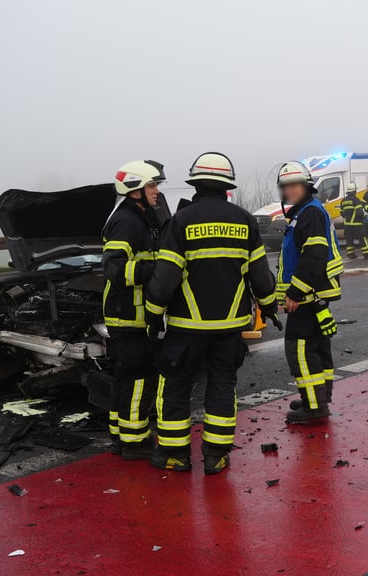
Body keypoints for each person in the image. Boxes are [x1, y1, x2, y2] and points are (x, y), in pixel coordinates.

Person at [144, 152, 279, 474]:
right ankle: (215, 456)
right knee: (222, 387)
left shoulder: (180, 222)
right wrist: (270, 306)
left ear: (195, 184)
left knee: (175, 387)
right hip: (229, 329)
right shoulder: (244, 221)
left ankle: (176, 456)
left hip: (185, 328)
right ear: (226, 186)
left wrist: (152, 314)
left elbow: (164, 279)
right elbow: (260, 276)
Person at [101, 159, 166, 460]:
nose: (156, 191)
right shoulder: (127, 221)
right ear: (134, 189)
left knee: (125, 377)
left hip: (128, 313)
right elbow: (114, 268)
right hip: (127, 314)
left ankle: (119, 434)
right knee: (141, 376)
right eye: (152, 185)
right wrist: (156, 270)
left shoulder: (139, 218)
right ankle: (135, 440)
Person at [274, 161, 344, 424]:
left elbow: (314, 256)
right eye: (285, 186)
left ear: (306, 186)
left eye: (294, 185)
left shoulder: (310, 213)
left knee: (300, 350)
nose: (289, 190)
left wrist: (294, 292)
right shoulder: (306, 212)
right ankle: (317, 397)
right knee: (317, 347)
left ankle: (314, 408)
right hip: (313, 294)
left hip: (306, 295)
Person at [339, 182, 368, 258]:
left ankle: (350, 254)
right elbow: (360, 211)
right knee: (362, 238)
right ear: (354, 191)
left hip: (347, 224)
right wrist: (363, 217)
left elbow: (342, 212)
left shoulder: (343, 200)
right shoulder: (355, 200)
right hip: (356, 224)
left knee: (349, 240)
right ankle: (367, 253)